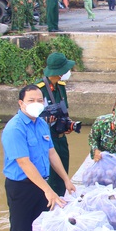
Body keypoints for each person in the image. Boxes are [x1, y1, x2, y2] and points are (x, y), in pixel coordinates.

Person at [1, 84, 76, 231]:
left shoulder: (42, 124)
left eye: (40, 100)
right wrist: (48, 190)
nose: (36, 103)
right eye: (31, 100)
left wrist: (66, 179)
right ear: (21, 103)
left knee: (42, 230)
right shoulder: (14, 129)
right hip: (21, 187)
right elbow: (24, 163)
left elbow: (52, 153)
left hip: (42, 184)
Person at [36, 52, 77, 197]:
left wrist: (67, 124)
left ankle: (60, 200)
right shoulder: (39, 90)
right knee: (52, 177)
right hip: (47, 137)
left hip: (60, 138)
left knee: (63, 172)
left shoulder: (61, 86)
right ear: (59, 73)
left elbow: (63, 110)